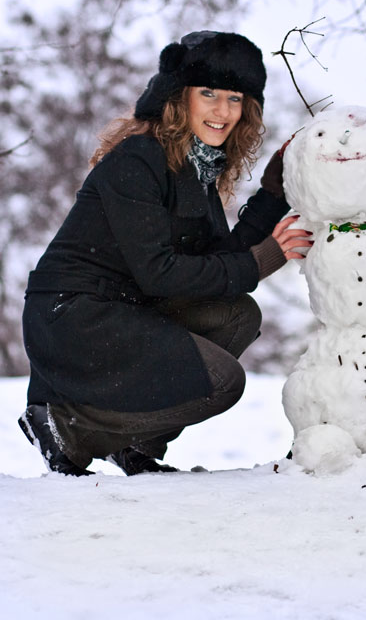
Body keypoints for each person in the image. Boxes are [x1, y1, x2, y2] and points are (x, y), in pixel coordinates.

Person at [18, 30, 312, 476]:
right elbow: (162, 273)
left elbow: (215, 264)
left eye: (235, 98)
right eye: (208, 93)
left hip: (128, 311)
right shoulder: (138, 160)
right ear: (178, 98)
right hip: (76, 317)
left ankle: (135, 440)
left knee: (236, 314)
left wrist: (275, 192)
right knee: (221, 384)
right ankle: (66, 426)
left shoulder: (195, 171)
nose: (222, 110)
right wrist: (265, 256)